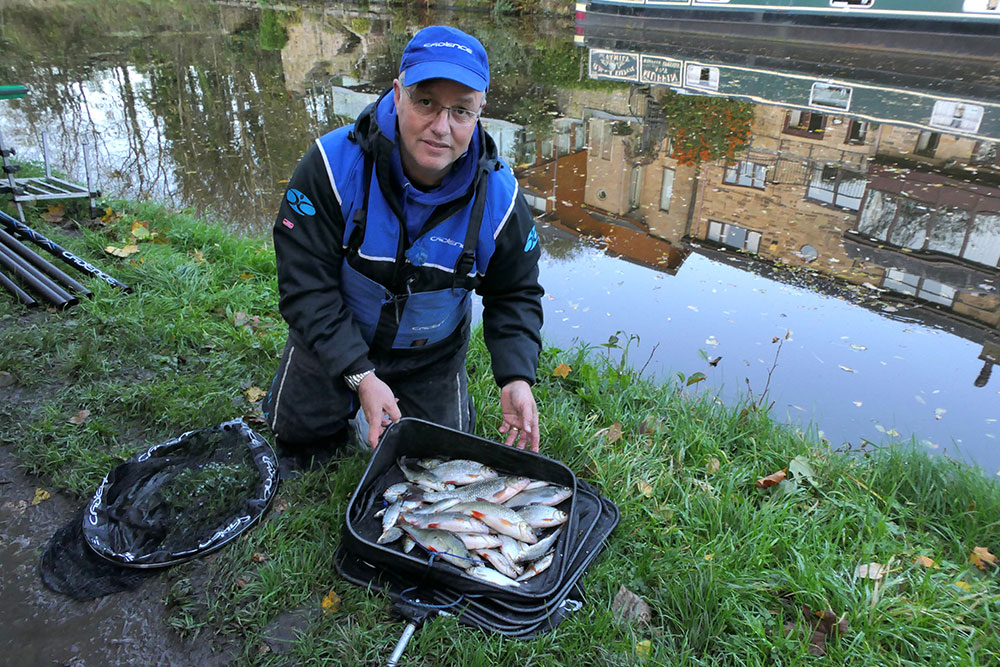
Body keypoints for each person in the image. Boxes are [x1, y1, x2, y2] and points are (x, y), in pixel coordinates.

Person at [262, 25, 544, 465]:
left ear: (480, 111)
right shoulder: (331, 166)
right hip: (339, 332)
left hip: (429, 354)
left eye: (460, 111)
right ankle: (344, 394)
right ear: (397, 94)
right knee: (298, 441)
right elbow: (304, 286)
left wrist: (516, 375)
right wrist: (361, 374)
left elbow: (516, 292)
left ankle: (399, 402)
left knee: (436, 459)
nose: (441, 127)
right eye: (425, 102)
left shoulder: (503, 200)